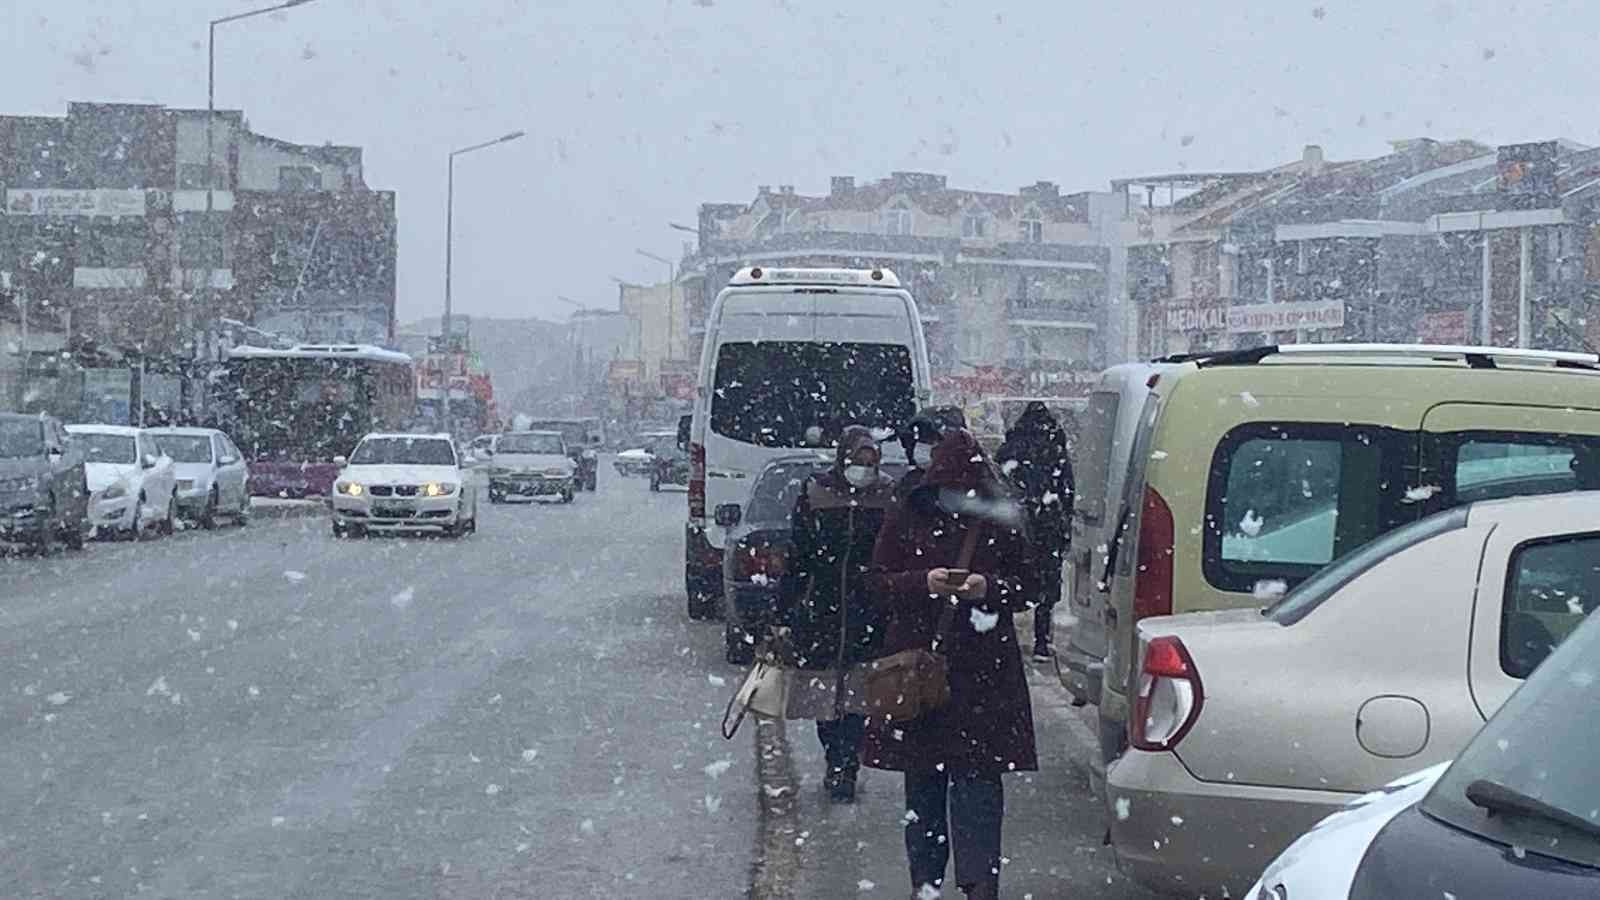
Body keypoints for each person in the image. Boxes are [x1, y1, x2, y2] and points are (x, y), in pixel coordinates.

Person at [866, 429, 1038, 900]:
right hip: (936, 673)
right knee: (940, 784)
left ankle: (968, 884)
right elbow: (877, 583)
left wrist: (987, 588)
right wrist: (926, 583)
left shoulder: (995, 518)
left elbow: (1031, 585)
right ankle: (938, 883)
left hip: (976, 673)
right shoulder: (910, 513)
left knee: (965, 784)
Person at [776, 425, 897, 802]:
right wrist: (784, 609)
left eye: (870, 461)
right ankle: (835, 754)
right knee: (824, 696)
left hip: (869, 610)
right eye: (859, 461)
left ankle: (847, 762)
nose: (865, 468)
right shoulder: (817, 493)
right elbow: (799, 558)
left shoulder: (887, 495)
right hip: (822, 611)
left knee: (859, 695)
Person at [995, 401, 1074, 661]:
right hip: (1048, 526)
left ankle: (1003, 638)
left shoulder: (1010, 449)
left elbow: (997, 484)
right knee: (1047, 585)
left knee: (1008, 578)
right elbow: (1067, 489)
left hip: (1016, 524)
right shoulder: (1055, 449)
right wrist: (1064, 520)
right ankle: (1041, 639)